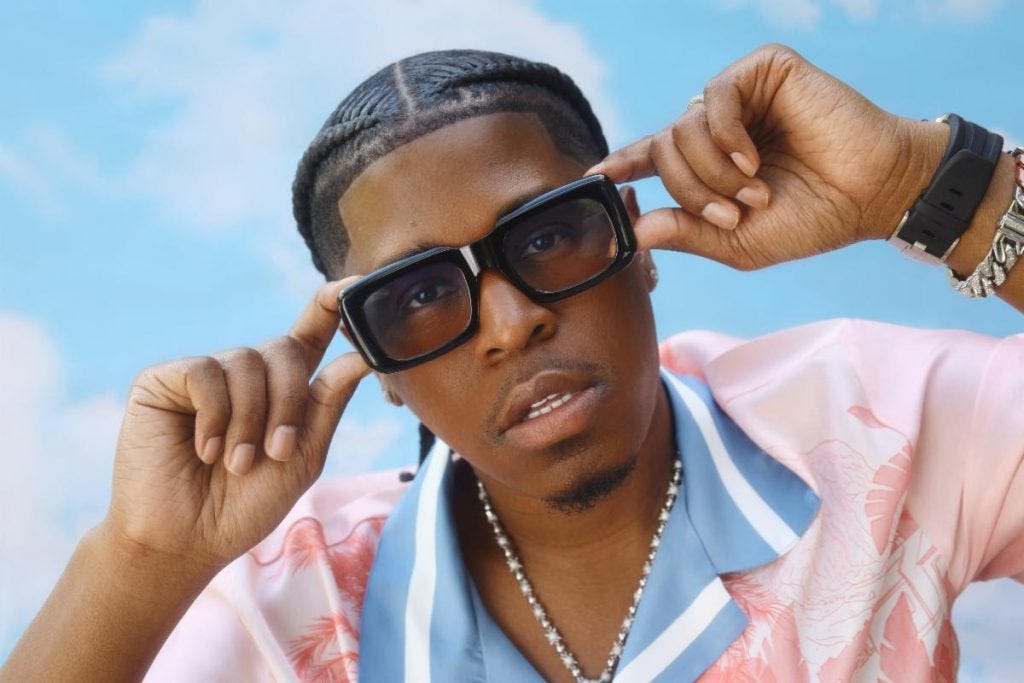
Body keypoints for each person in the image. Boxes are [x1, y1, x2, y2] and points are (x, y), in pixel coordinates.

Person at [3, 44, 1022, 682]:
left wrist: (935, 187)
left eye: (547, 235)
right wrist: (140, 561)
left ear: (635, 240)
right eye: (416, 296)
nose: (510, 323)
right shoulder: (294, 607)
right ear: (378, 363)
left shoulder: (875, 423)